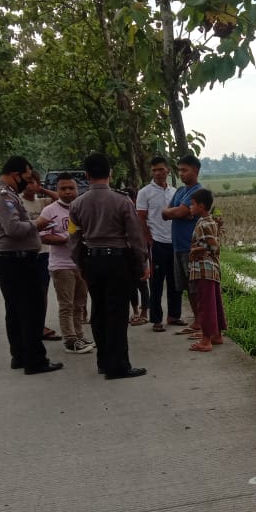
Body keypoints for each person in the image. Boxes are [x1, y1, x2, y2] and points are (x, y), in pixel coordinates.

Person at [68, 152, 148, 380]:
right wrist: (140, 262)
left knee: (99, 311)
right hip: (117, 261)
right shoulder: (122, 201)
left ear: (86, 175)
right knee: (117, 313)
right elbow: (135, 237)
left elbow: (73, 239)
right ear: (110, 174)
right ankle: (119, 366)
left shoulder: (76, 205)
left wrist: (81, 264)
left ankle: (103, 361)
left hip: (92, 260)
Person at [0, 155, 63, 375]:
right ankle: (35, 360)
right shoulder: (3, 196)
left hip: (12, 259)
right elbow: (13, 229)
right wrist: (37, 224)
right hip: (15, 260)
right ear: (15, 174)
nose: (27, 181)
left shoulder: (7, 193)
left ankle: (20, 356)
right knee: (31, 310)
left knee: (16, 310)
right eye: (27, 176)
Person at [36, 173, 94, 355]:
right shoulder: (49, 211)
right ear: (57, 190)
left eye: (71, 188)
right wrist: (65, 240)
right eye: (63, 188)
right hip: (61, 265)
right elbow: (42, 236)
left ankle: (79, 334)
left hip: (81, 264)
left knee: (80, 304)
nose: (68, 192)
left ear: (77, 189)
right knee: (66, 304)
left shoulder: (83, 208)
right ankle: (69, 340)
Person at [135, 157, 184, 333]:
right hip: (156, 242)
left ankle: (174, 315)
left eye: (161, 169)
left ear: (168, 171)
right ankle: (156, 319)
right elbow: (140, 217)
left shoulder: (174, 192)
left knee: (175, 281)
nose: (158, 173)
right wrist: (148, 238)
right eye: (154, 170)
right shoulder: (145, 192)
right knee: (156, 282)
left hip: (174, 242)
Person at [161, 154, 203, 336]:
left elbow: (179, 212)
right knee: (187, 287)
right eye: (179, 170)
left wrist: (176, 212)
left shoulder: (197, 192)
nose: (181, 174)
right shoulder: (179, 191)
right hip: (177, 246)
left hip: (191, 247)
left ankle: (202, 323)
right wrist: (176, 212)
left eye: (185, 170)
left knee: (196, 287)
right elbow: (166, 213)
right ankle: (197, 322)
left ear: (196, 170)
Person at [20, 169, 61, 341]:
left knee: (42, 292)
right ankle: (29, 325)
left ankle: (40, 324)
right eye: (29, 182)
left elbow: (60, 198)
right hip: (27, 252)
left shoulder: (42, 202)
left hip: (44, 253)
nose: (32, 185)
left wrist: (42, 190)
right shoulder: (19, 203)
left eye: (35, 182)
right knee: (28, 292)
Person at [187, 188, 226, 352]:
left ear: (201, 206)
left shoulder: (204, 224)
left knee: (205, 304)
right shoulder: (210, 221)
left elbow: (212, 246)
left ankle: (206, 339)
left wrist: (194, 250)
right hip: (211, 270)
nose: (190, 207)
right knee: (214, 302)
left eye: (192, 204)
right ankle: (216, 335)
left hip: (205, 270)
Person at [123, 186, 151, 326]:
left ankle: (144, 312)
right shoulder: (121, 212)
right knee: (129, 285)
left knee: (142, 283)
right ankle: (135, 311)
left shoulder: (137, 215)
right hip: (125, 253)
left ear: (134, 199)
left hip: (139, 253)